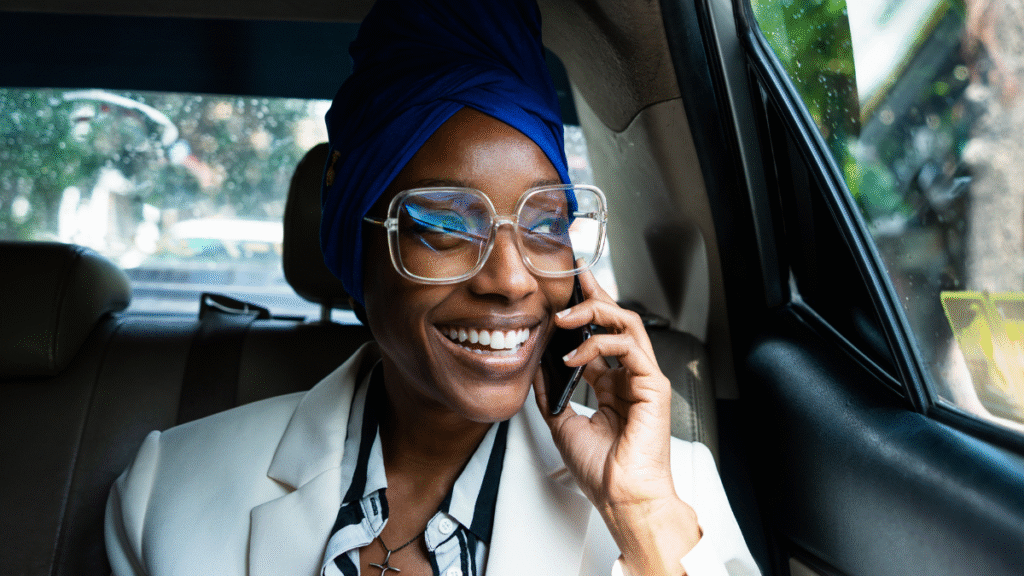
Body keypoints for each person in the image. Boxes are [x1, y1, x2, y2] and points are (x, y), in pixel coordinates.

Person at [104, 1, 760, 575]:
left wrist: (641, 516)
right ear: (360, 242)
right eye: (445, 226)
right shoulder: (167, 492)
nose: (509, 280)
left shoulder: (673, 492)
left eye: (546, 223)